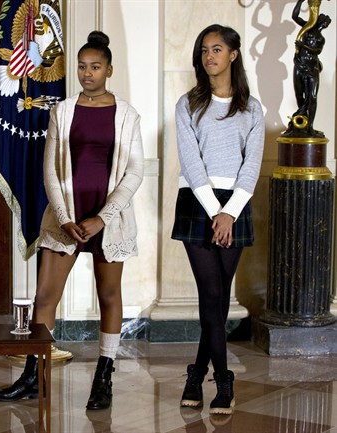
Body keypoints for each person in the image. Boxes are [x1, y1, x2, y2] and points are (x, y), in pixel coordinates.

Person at [0, 31, 144, 411]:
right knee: (45, 297)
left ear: (109, 70)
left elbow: (135, 172)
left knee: (109, 295)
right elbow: (50, 170)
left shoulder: (127, 114)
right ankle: (34, 375)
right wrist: (64, 217)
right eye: (82, 66)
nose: (87, 73)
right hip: (66, 217)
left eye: (95, 67)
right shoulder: (62, 110)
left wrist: (102, 219)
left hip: (108, 218)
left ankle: (104, 376)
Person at [172, 24, 264, 415]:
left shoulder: (252, 108)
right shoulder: (188, 104)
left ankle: (197, 373)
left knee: (220, 297)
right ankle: (223, 379)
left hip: (236, 204)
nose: (209, 56)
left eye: (216, 49)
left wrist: (231, 211)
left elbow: (252, 165)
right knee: (210, 294)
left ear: (233, 54)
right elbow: (191, 162)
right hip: (199, 201)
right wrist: (216, 212)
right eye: (204, 50)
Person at [288, 0, 331, 135]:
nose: (324, 24)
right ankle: (302, 120)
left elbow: (316, 51)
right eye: (323, 21)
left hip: (312, 69)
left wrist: (302, 46)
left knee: (312, 97)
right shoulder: (306, 27)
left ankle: (310, 126)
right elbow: (294, 16)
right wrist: (301, 1)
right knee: (298, 94)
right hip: (299, 65)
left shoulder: (321, 39)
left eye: (326, 23)